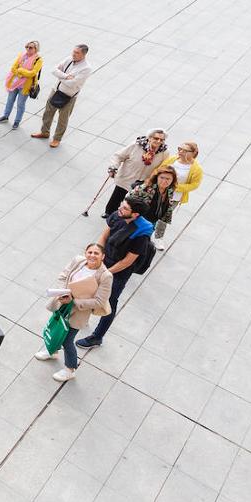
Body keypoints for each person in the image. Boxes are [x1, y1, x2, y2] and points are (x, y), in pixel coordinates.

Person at [78, 196, 153, 349]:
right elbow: (105, 234)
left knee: (109, 302)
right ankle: (83, 318)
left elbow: (127, 261)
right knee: (90, 291)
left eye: (125, 208)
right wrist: (97, 257)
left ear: (135, 215)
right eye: (122, 205)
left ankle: (97, 337)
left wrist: (105, 273)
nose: (120, 209)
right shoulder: (118, 215)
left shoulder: (141, 235)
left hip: (118, 272)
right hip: (104, 261)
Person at [36, 244, 112, 382]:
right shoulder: (78, 260)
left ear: (103, 256)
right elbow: (63, 275)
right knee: (57, 328)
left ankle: (70, 369)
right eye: (90, 252)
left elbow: (100, 301)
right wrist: (61, 292)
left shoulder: (106, 276)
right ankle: (52, 351)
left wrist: (74, 301)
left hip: (79, 311)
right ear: (85, 253)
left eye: (96, 253)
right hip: (63, 303)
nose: (92, 255)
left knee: (67, 340)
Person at [32, 44, 91, 147]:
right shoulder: (69, 59)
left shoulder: (86, 68)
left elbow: (73, 83)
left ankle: (57, 139)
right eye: (74, 51)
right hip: (56, 90)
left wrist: (60, 76)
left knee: (63, 119)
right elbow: (54, 70)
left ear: (84, 54)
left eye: (77, 53)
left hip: (69, 96)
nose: (74, 54)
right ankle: (44, 132)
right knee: (48, 113)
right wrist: (65, 76)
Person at [103, 129, 169, 218]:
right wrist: (113, 167)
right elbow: (118, 156)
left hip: (142, 183)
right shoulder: (136, 145)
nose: (158, 141)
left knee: (132, 203)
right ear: (149, 138)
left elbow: (162, 168)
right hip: (126, 177)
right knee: (117, 197)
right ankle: (109, 213)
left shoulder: (164, 153)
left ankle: (124, 217)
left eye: (162, 140)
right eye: (156, 138)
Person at [151, 141, 203, 248]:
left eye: (185, 150)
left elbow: (194, 185)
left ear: (193, 153)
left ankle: (158, 237)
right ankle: (146, 232)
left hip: (174, 197)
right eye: (180, 149)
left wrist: (175, 186)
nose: (181, 152)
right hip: (158, 191)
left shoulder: (196, 168)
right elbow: (159, 170)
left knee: (163, 217)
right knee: (151, 212)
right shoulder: (172, 159)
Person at [0, 41, 42, 129]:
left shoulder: (38, 60)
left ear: (36, 49)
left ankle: (17, 121)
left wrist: (20, 71)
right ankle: (5, 116)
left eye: (31, 47)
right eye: (27, 47)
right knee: (10, 100)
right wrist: (21, 73)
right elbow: (13, 68)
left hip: (26, 86)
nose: (28, 49)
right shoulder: (22, 55)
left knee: (20, 104)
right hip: (15, 83)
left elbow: (33, 73)